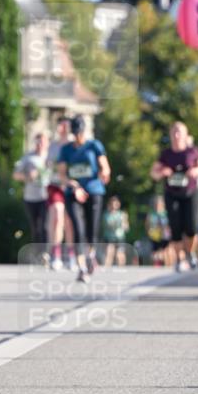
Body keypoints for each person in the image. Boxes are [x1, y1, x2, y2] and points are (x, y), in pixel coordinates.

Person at [57, 115, 111, 283]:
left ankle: (91, 255)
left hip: (93, 191)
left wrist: (104, 173)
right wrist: (73, 185)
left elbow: (105, 167)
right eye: (75, 133)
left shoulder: (94, 146)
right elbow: (62, 175)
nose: (78, 136)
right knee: (78, 230)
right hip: (73, 193)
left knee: (91, 230)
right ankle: (82, 267)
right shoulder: (66, 149)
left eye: (80, 132)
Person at [150, 122, 198, 271]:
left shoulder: (192, 152)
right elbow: (153, 173)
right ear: (170, 135)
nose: (176, 135)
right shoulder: (166, 154)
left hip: (191, 193)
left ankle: (190, 253)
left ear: (185, 134)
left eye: (179, 132)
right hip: (172, 194)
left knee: (192, 228)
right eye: (173, 132)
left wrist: (195, 171)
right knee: (175, 228)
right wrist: (162, 172)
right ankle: (180, 259)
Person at [46, 116, 75, 270]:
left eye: (65, 125)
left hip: (71, 186)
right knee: (56, 216)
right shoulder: (53, 145)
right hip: (55, 185)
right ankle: (55, 254)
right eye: (60, 125)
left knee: (69, 222)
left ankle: (71, 254)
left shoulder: (74, 144)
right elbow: (48, 164)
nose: (62, 128)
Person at [13, 132, 49, 248]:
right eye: (38, 142)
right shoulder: (28, 157)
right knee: (35, 227)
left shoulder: (50, 157)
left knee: (45, 226)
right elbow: (16, 174)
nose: (40, 145)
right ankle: (39, 252)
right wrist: (28, 176)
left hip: (47, 197)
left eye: (42, 142)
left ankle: (47, 252)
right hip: (31, 197)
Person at [145, 195, 173, 267]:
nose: (157, 205)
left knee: (166, 250)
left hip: (165, 235)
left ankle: (168, 265)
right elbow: (147, 224)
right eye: (156, 203)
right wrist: (149, 231)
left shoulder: (167, 213)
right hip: (155, 235)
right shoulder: (151, 214)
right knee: (155, 252)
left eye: (159, 203)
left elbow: (171, 224)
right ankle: (157, 266)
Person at [102, 195, 129, 267]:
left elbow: (126, 226)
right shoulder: (106, 214)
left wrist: (124, 225)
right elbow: (106, 225)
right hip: (109, 237)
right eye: (114, 203)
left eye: (117, 203)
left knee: (120, 254)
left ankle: (121, 269)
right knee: (109, 253)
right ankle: (106, 270)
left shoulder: (122, 214)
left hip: (119, 237)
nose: (115, 204)